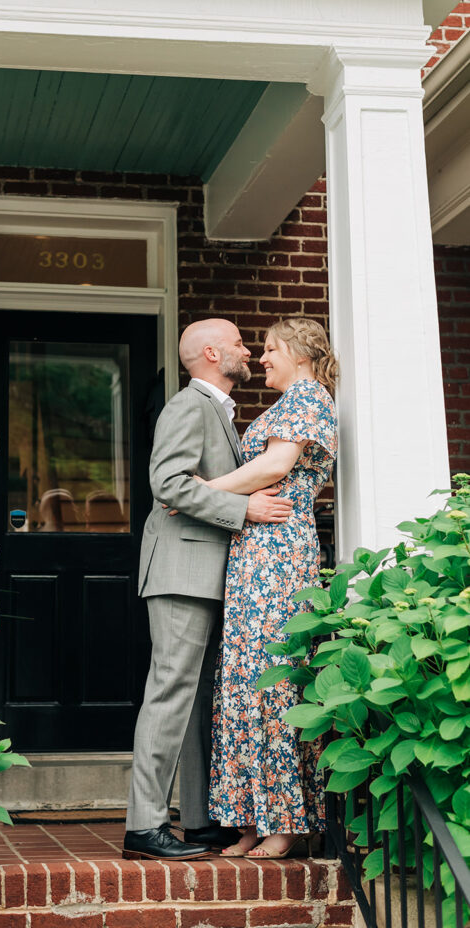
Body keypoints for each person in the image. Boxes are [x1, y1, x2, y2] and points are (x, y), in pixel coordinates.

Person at [123, 318, 294, 862]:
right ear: (214, 354)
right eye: (242, 343)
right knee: (171, 691)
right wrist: (244, 508)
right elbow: (168, 485)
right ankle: (144, 826)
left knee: (199, 700)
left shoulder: (220, 411)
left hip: (215, 574)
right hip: (181, 568)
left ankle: (198, 820)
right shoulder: (186, 407)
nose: (250, 351)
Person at [203, 317, 338, 859]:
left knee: (274, 681)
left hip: (280, 555)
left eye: (269, 349)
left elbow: (277, 464)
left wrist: (200, 492)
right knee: (244, 676)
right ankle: (249, 819)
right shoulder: (291, 402)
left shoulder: (311, 399)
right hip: (254, 553)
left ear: (299, 354)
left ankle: (285, 821)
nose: (262, 359)